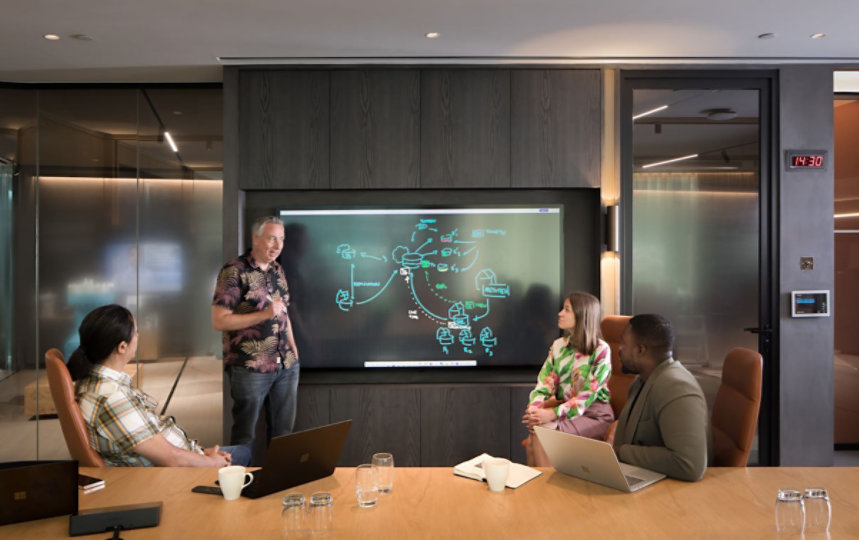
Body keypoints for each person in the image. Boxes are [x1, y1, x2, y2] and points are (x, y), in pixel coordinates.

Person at [70, 304, 251, 467]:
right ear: (122, 347)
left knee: (241, 452)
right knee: (244, 454)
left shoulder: (91, 380)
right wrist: (210, 461)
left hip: (184, 454)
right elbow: (171, 458)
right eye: (136, 332)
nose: (139, 336)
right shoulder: (112, 398)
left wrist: (201, 451)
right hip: (170, 474)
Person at [212, 215, 300, 457]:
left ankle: (279, 485)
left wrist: (293, 349)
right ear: (255, 238)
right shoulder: (234, 271)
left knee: (284, 433)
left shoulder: (278, 270)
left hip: (287, 365)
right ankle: (238, 487)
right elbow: (219, 320)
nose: (277, 245)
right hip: (250, 368)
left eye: (281, 240)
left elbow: (284, 313)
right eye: (272, 238)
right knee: (245, 435)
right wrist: (263, 315)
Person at [613, 313, 712, 482]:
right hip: (641, 478)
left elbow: (689, 464)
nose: (619, 349)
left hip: (672, 495)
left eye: (623, 343)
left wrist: (622, 452)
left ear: (640, 350)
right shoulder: (641, 380)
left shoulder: (676, 387)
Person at [522, 291, 614, 466]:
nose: (560, 313)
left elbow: (586, 397)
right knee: (533, 440)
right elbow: (543, 384)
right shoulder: (558, 346)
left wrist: (551, 414)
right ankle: (537, 492)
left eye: (567, 309)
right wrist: (534, 412)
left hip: (595, 415)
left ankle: (547, 493)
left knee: (542, 434)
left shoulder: (601, 350)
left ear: (582, 315)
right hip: (566, 413)